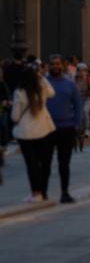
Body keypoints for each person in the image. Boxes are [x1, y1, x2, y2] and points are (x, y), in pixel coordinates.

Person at [10, 65, 56, 203]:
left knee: (31, 164)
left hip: (26, 133)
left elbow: (15, 116)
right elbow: (52, 92)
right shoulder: (41, 89)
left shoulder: (19, 92)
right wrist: (42, 78)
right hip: (44, 130)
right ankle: (43, 191)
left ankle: (35, 192)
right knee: (43, 163)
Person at [45, 55, 83, 203]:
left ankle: (65, 192)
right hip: (47, 129)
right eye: (52, 64)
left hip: (66, 128)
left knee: (64, 163)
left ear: (62, 65)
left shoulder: (69, 84)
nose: (55, 66)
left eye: (58, 63)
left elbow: (78, 104)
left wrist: (75, 123)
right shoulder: (44, 83)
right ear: (49, 66)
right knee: (45, 162)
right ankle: (42, 192)